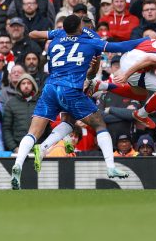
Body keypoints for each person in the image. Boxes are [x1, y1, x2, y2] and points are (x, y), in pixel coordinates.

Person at [11, 15, 145, 189]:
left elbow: (34, 34)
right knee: (99, 124)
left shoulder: (57, 36)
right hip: (72, 88)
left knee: (38, 130)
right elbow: (119, 46)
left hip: (50, 87)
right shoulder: (91, 42)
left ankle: (20, 163)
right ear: (81, 26)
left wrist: (51, 33)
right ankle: (111, 167)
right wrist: (146, 40)